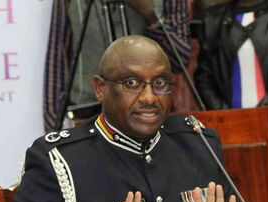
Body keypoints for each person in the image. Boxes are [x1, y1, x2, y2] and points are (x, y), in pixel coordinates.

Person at [8, 35, 257, 202]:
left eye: (160, 83)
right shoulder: (58, 158)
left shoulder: (198, 144)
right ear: (100, 88)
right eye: (132, 83)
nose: (149, 97)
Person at [43, 0, 191, 130]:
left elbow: (180, 59)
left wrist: (150, 17)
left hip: (149, 116)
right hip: (87, 115)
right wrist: (52, 126)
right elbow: (57, 57)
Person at [194, 0, 268, 110]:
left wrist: (265, 109)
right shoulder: (213, 19)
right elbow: (204, 78)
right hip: (227, 123)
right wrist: (225, 114)